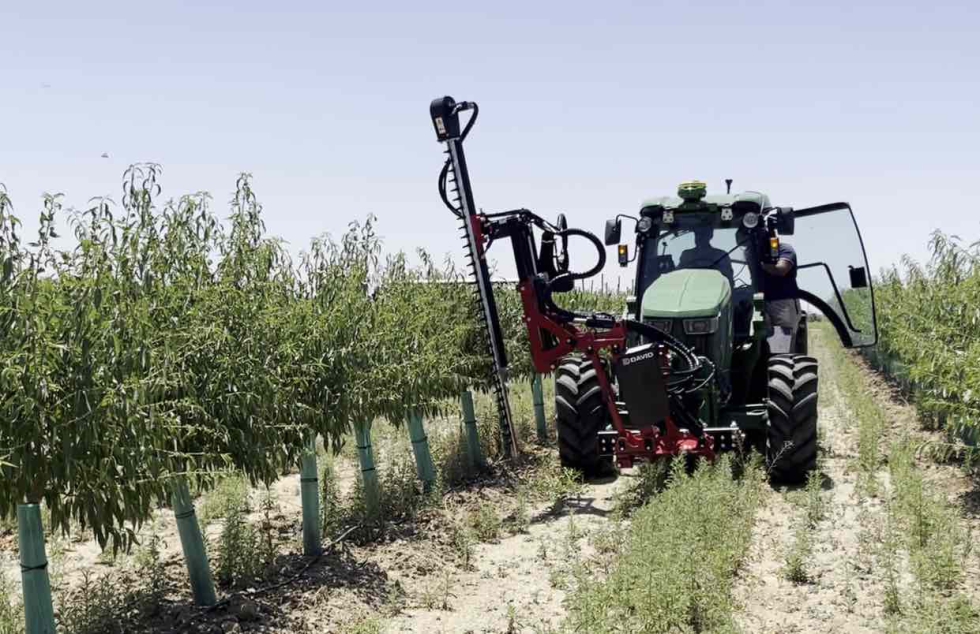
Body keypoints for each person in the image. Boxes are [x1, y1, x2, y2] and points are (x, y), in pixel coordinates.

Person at [760, 241, 800, 353]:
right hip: (759, 301)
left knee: (781, 349)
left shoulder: (784, 249)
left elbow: (781, 269)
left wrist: (761, 265)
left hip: (782, 302)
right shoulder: (752, 252)